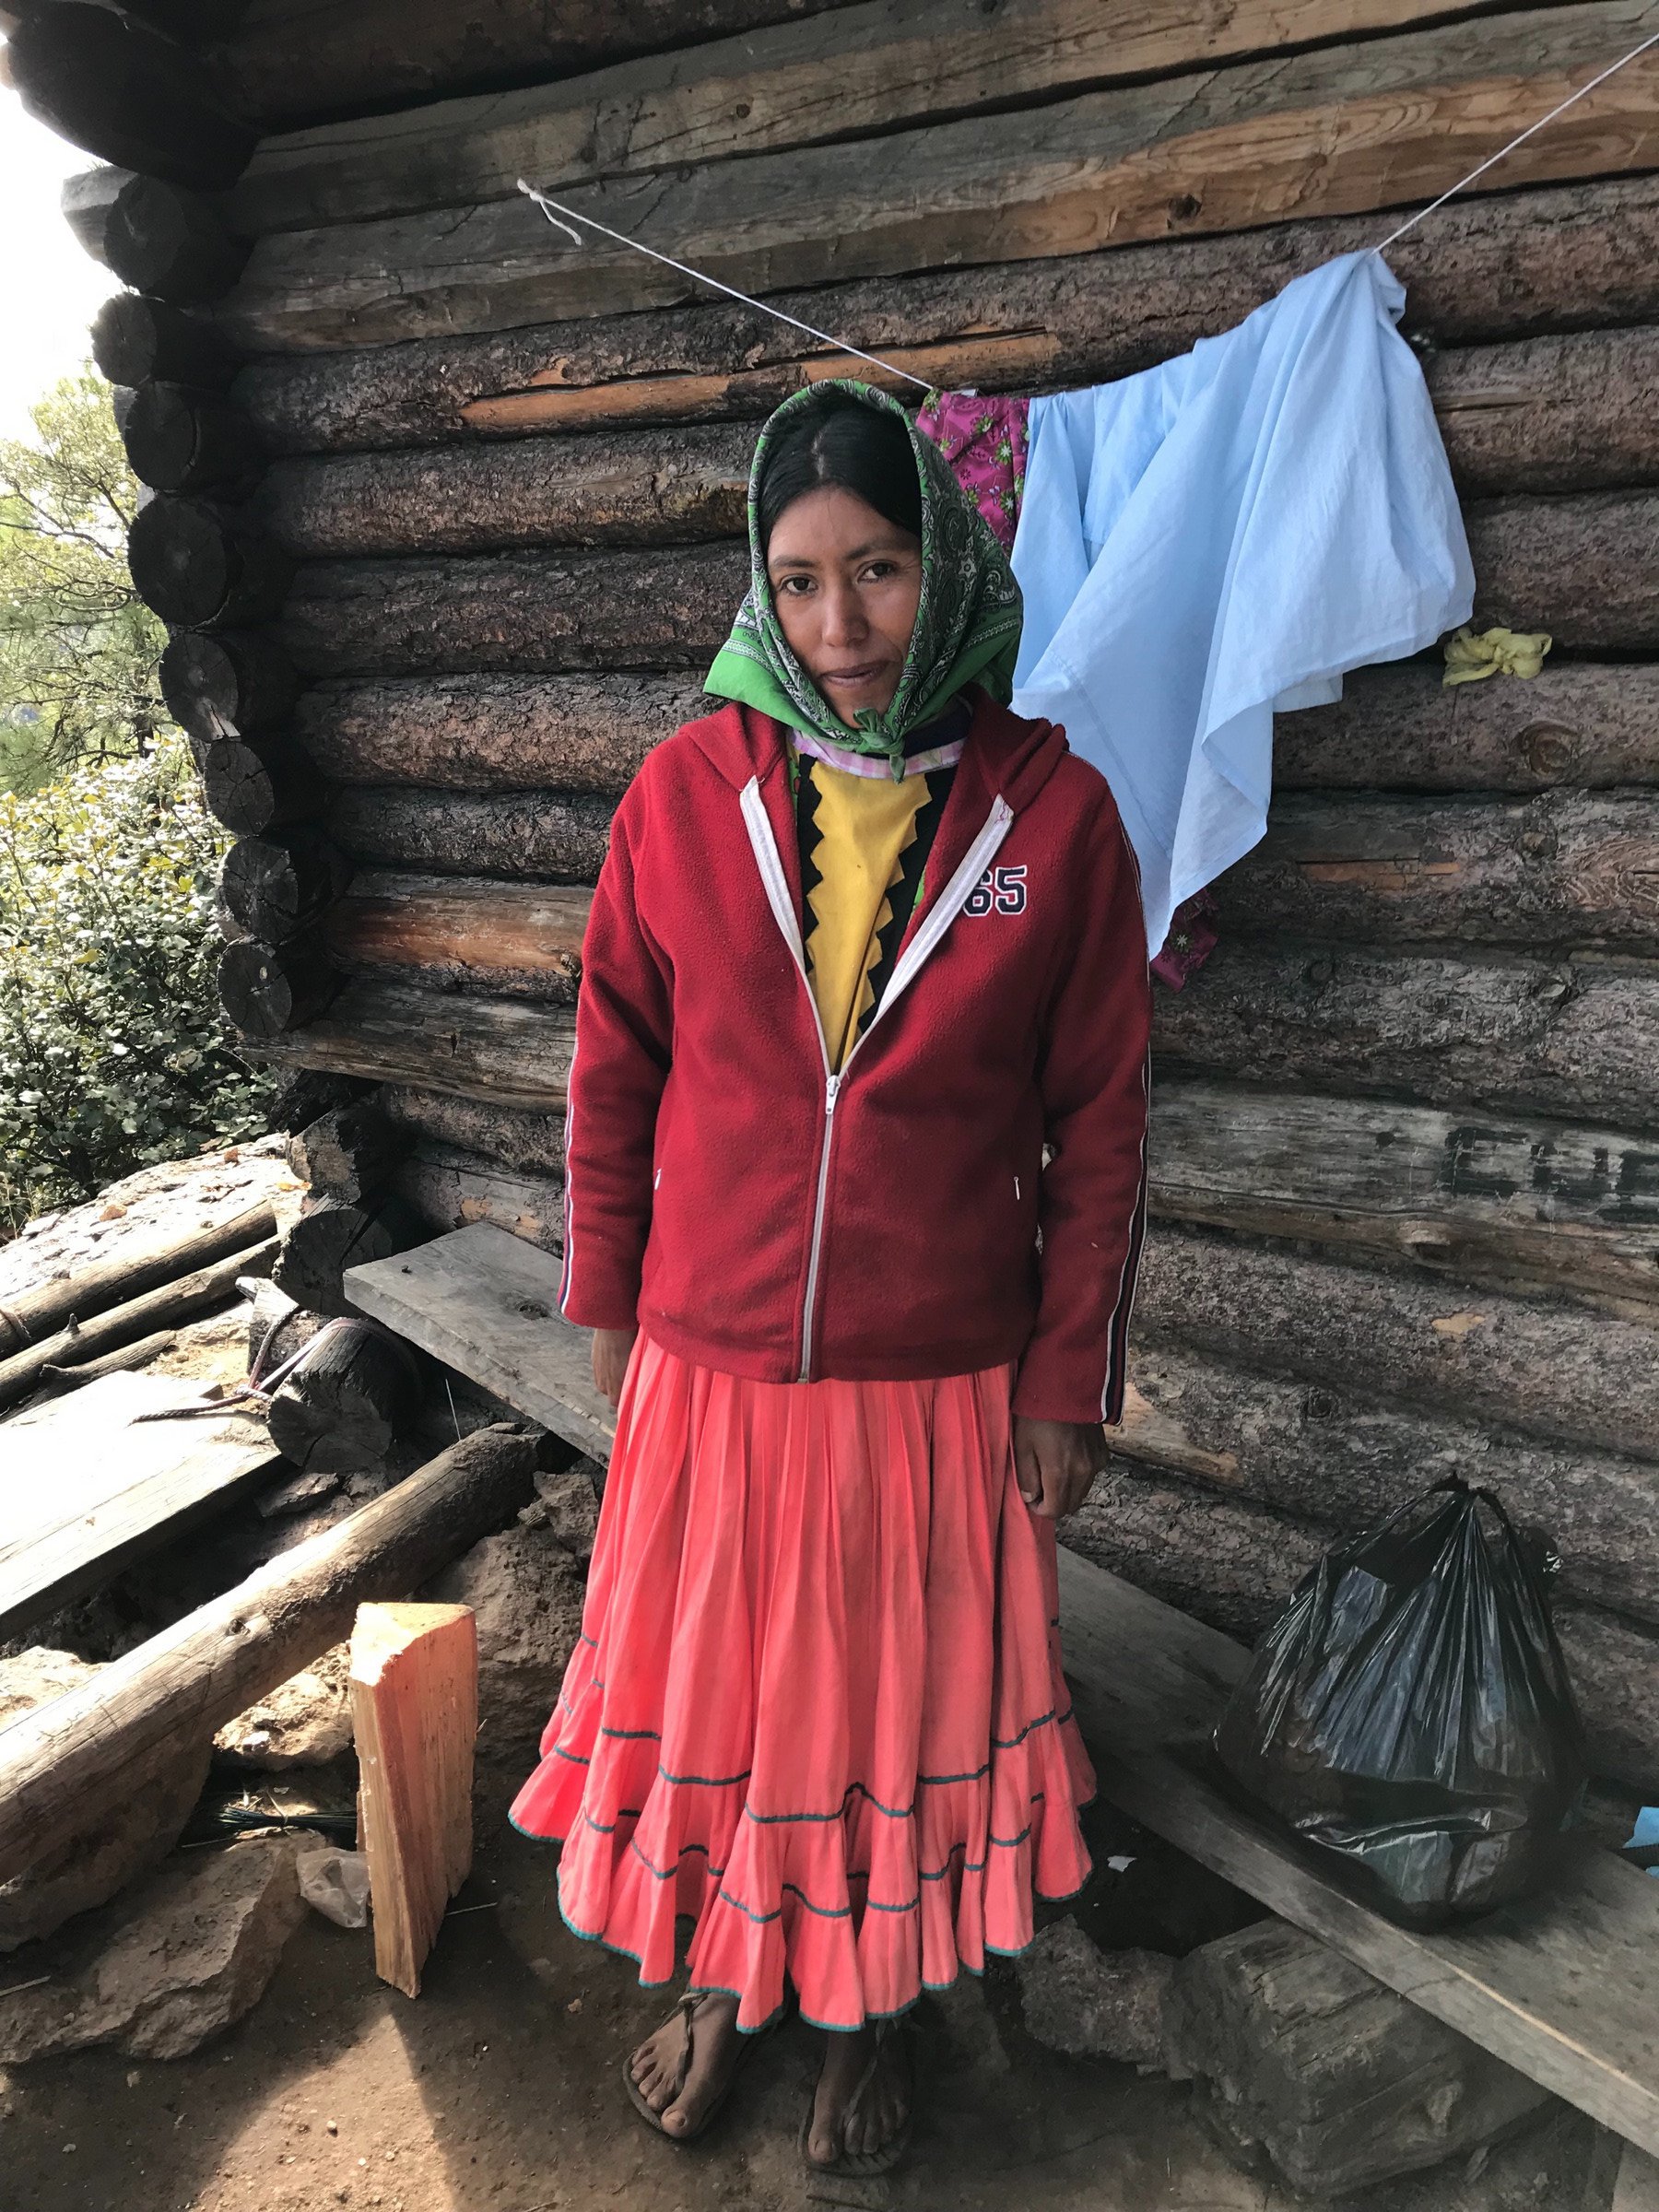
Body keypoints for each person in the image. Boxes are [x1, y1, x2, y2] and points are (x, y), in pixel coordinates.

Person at [510, 381, 1151, 2176]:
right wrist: (614, 1310)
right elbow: (611, 1058)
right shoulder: (682, 796)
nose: (841, 626)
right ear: (755, 592)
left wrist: (1064, 1384)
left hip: (938, 1382)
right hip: (715, 1373)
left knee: (890, 1716)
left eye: (876, 570)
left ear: (944, 567)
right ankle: (726, 1986)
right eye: (797, 582)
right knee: (729, 1702)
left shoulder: (1055, 817)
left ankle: (877, 2014)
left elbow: (1103, 1119)